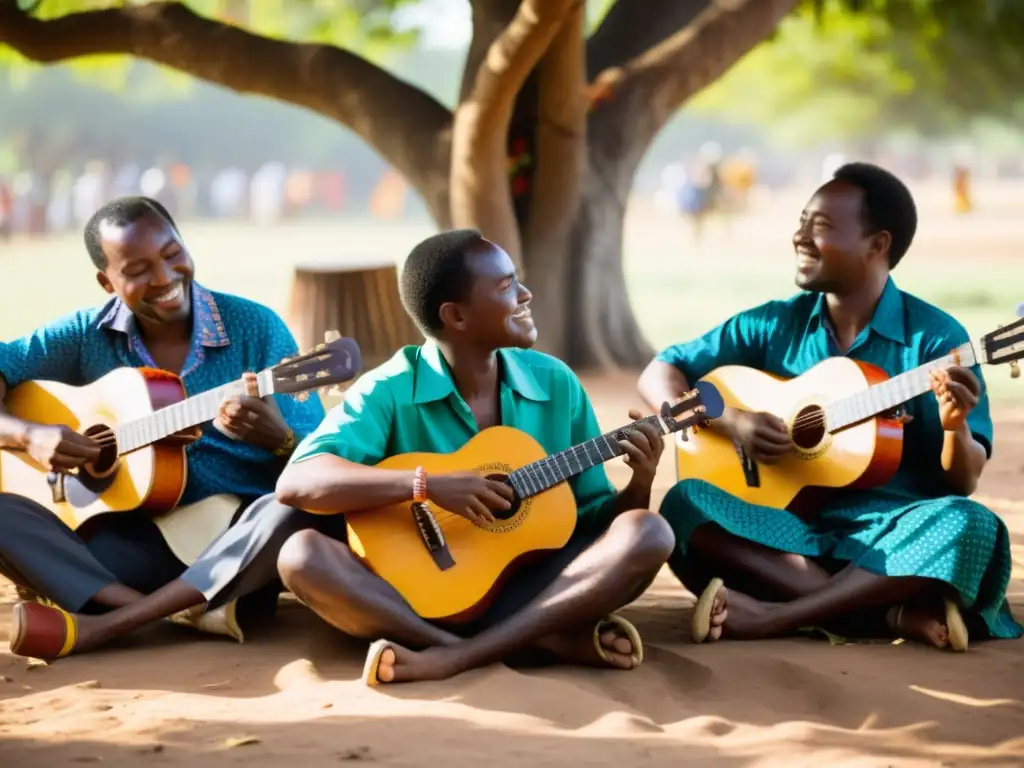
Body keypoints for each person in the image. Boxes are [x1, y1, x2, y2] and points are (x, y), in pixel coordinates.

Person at [637, 162, 1022, 651]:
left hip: (890, 537)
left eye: (818, 227)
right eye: (801, 222)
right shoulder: (774, 324)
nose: (799, 237)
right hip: (786, 532)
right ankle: (887, 613)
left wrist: (953, 427)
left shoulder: (937, 339)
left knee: (970, 523)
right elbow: (660, 371)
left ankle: (774, 617)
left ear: (877, 245)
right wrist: (731, 420)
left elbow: (962, 480)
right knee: (685, 501)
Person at [273, 228, 676, 685]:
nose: (524, 294)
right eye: (506, 286)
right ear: (457, 317)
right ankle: (522, 643)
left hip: (532, 587)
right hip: (414, 596)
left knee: (648, 532)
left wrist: (640, 483)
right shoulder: (387, 389)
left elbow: (594, 524)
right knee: (301, 556)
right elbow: (297, 481)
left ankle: (455, 654)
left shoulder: (556, 382)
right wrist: (427, 485)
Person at [1, 196, 331, 660]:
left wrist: (280, 440)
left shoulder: (256, 327)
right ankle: (168, 612)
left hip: (234, 547)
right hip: (133, 544)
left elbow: (319, 463)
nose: (163, 278)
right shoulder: (84, 334)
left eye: (172, 254)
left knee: (287, 509)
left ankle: (112, 623)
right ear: (107, 282)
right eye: (136, 270)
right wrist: (27, 435)